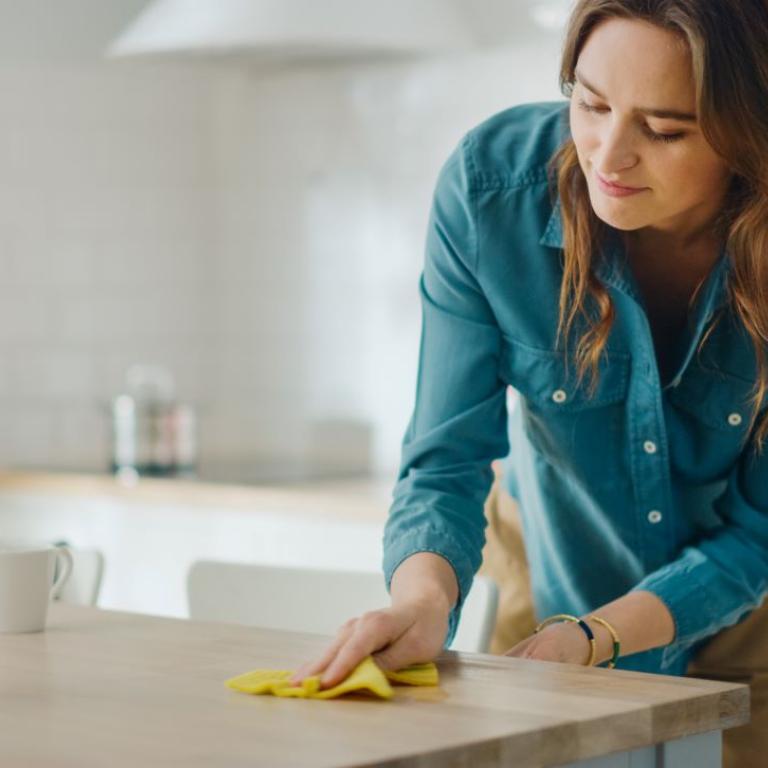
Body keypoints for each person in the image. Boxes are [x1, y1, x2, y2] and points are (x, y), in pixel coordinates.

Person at [291, 1, 768, 763]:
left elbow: (758, 532)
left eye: (666, 129)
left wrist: (602, 635)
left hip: (745, 615)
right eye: (591, 103)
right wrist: (420, 602)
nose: (609, 156)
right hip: (549, 586)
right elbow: (446, 460)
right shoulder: (491, 193)